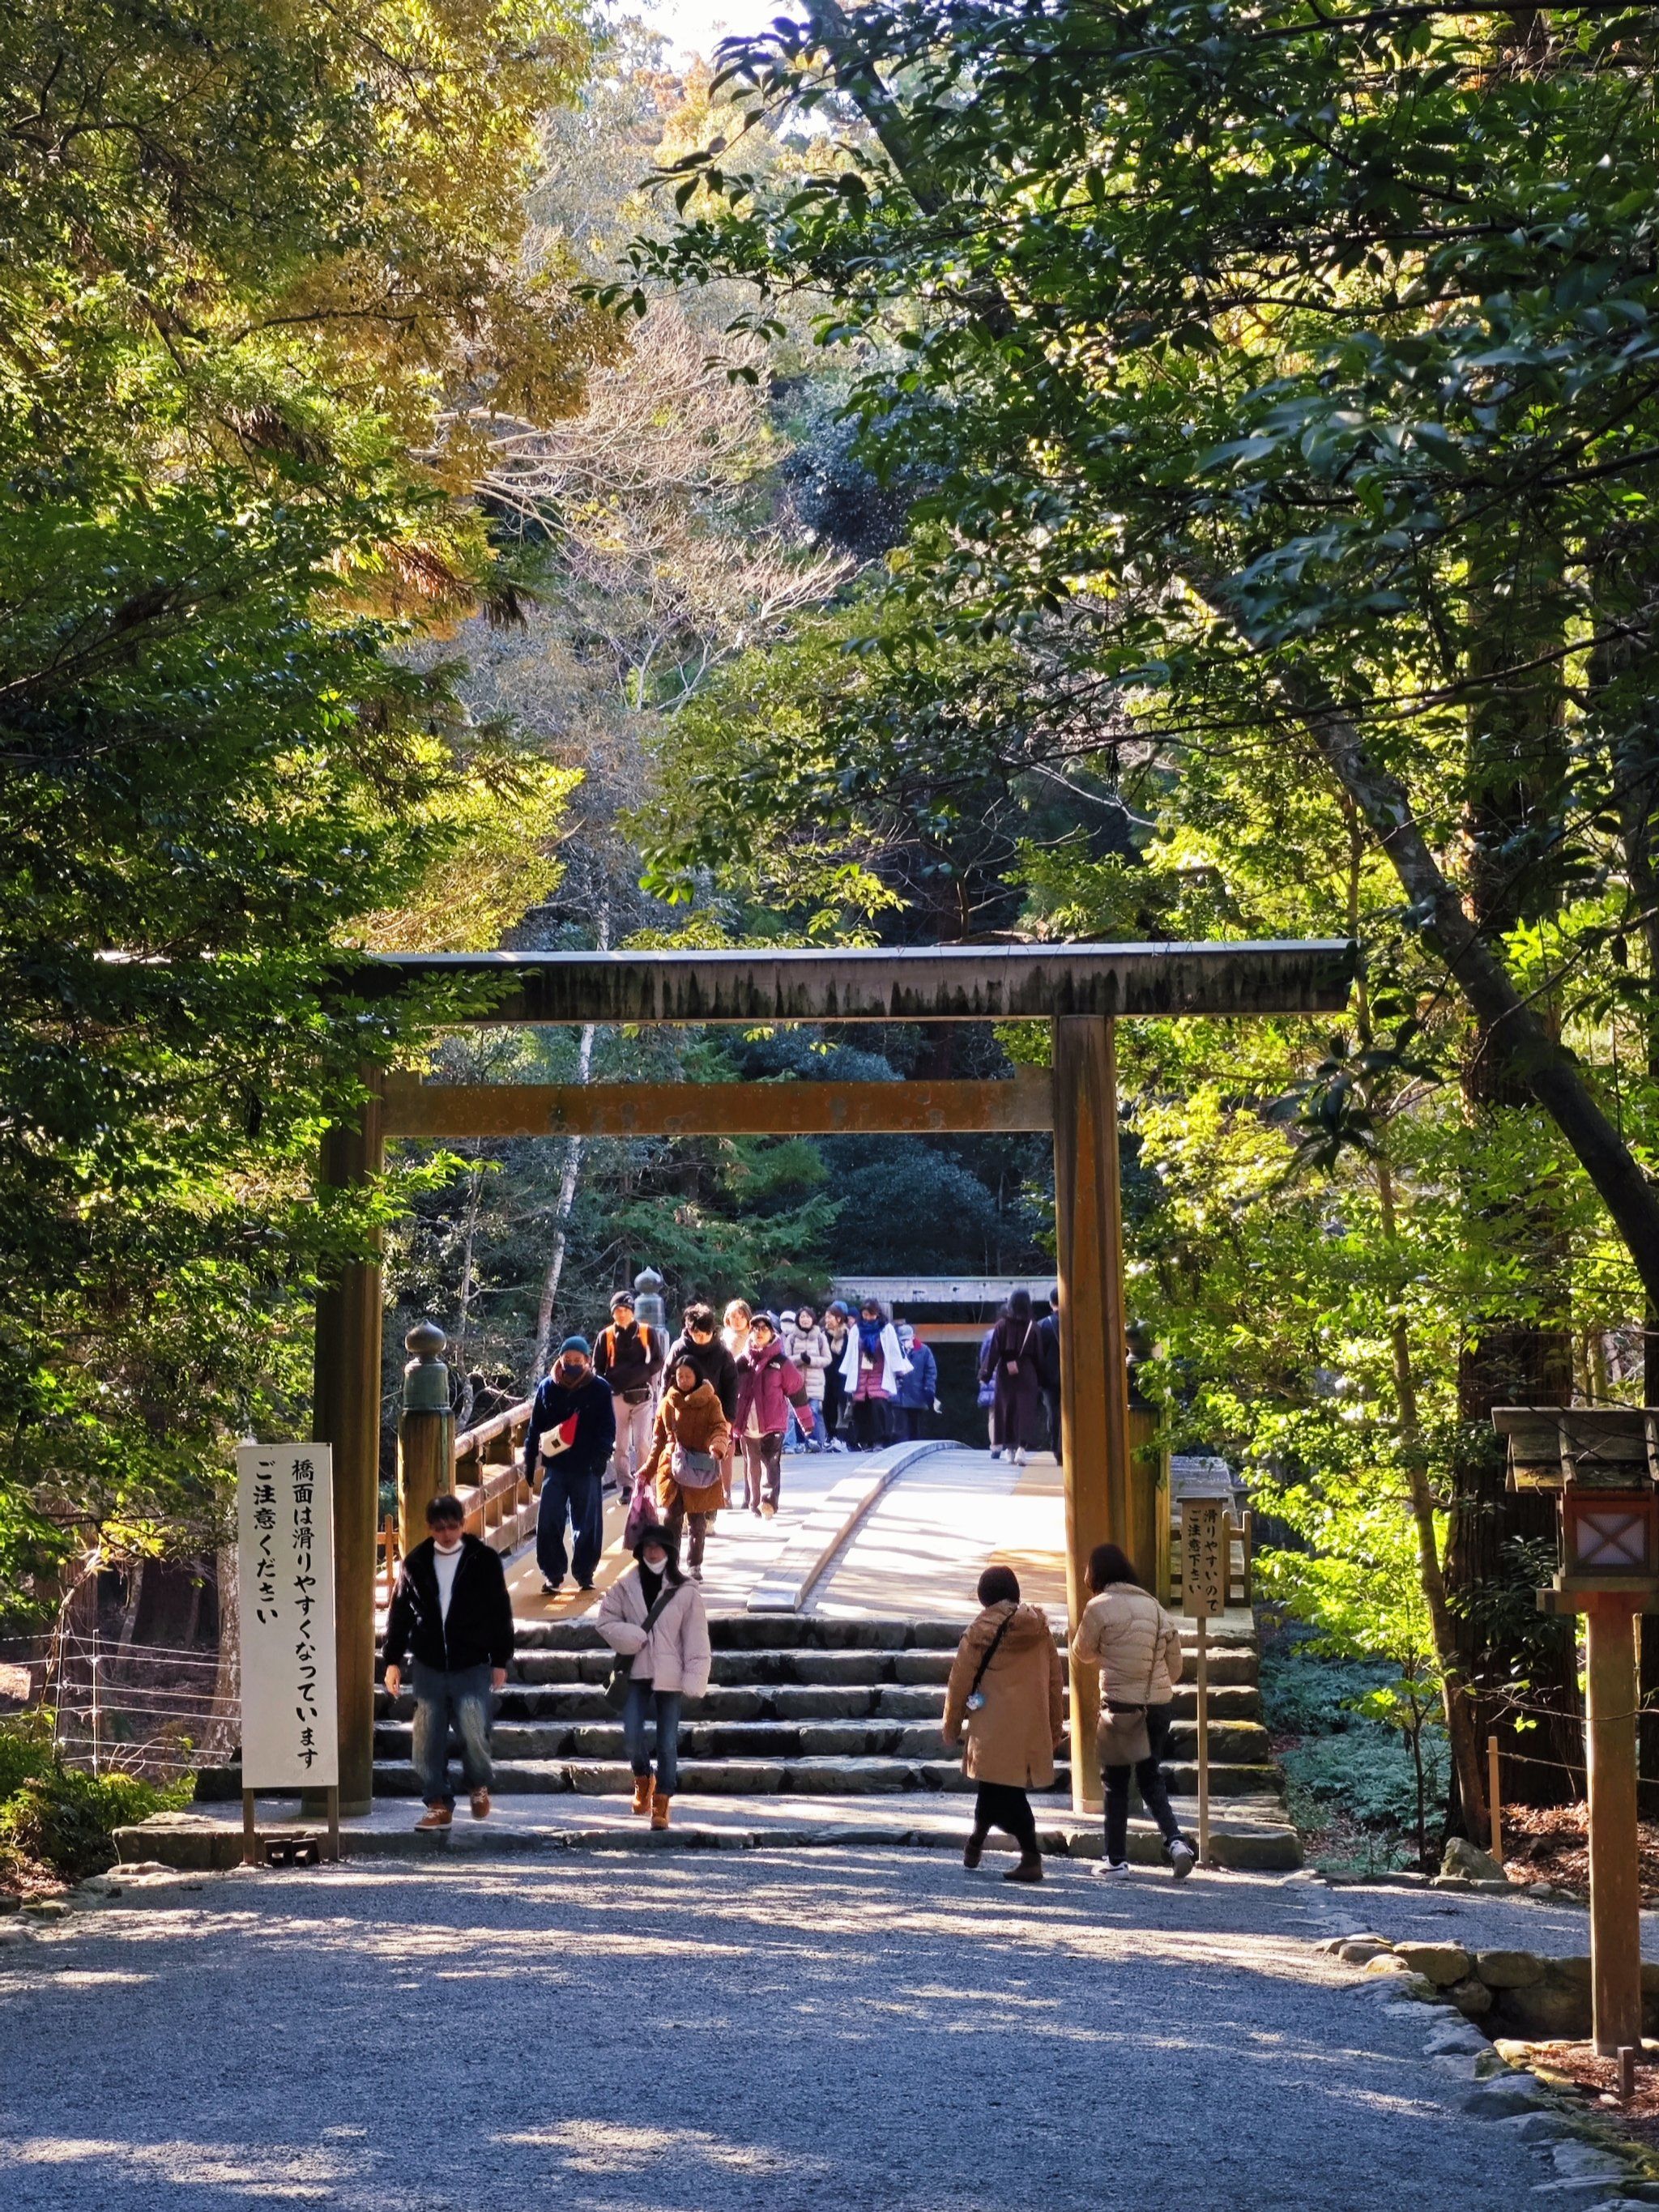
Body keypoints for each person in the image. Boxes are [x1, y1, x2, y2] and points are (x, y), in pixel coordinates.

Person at [381, 1493, 514, 1832]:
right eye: (440, 1529)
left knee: (474, 1727)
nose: (447, 1534)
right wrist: (392, 1660)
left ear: (463, 1523)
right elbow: (399, 1616)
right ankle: (437, 1803)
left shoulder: (483, 1559)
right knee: (426, 1736)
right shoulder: (415, 1563)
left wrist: (500, 1659)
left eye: (453, 1527)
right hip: (428, 1662)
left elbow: (500, 1611)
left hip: (471, 1660)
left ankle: (478, 1783)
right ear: (430, 1528)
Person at [1070, 1541, 1197, 1881]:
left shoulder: (1098, 1607)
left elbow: (1081, 1652)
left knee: (1115, 1782)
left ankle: (1116, 1861)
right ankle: (1176, 1842)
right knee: (1150, 1776)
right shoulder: (1156, 1608)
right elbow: (1176, 1668)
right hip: (1157, 1704)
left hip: (1120, 1706)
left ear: (1096, 1573)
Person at [942, 1565, 1064, 1883]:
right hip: (1028, 1726)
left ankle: (1030, 1856)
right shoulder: (1039, 1629)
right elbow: (1054, 1681)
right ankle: (977, 1841)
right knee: (996, 1786)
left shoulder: (979, 1630)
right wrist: (1055, 1726)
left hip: (991, 1726)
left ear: (985, 1597)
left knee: (1004, 1790)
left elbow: (960, 1681)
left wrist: (951, 1725)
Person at [596, 1520, 712, 1830]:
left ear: (670, 1551)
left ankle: (662, 1801)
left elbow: (696, 1636)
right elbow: (605, 1620)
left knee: (667, 1741)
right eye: (646, 1546)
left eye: (657, 1546)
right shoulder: (625, 1585)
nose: (652, 1551)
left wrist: (695, 1675)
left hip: (670, 1673)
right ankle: (643, 1777)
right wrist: (632, 1635)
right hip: (635, 1670)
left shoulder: (686, 1591)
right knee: (632, 1735)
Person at [525, 1334, 616, 1595]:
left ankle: (585, 1572)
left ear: (587, 1360)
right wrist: (530, 1461)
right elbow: (535, 1428)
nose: (573, 1364)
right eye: (568, 1360)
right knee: (550, 1518)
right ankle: (553, 1574)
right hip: (556, 1464)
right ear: (561, 1360)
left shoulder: (599, 1388)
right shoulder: (547, 1387)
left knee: (586, 1521)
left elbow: (608, 1428)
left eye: (578, 1359)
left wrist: (601, 1456)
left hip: (587, 1465)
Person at [646, 1354, 731, 1580]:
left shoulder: (711, 1402)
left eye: (688, 1376)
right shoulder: (668, 1402)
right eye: (679, 1376)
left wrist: (717, 1447)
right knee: (671, 1519)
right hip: (671, 1470)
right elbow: (658, 1440)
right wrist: (648, 1470)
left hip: (699, 1470)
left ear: (697, 1376)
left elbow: (720, 1428)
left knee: (697, 1521)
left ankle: (694, 1566)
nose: (683, 1380)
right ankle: (671, 1565)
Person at [734, 1311, 808, 1516]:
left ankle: (768, 1502)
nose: (759, 1332)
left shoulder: (781, 1362)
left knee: (771, 1464)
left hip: (773, 1424)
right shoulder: (742, 1361)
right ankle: (754, 1502)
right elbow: (727, 1384)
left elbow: (797, 1391)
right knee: (752, 1466)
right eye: (755, 1328)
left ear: (772, 1332)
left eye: (764, 1329)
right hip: (748, 1424)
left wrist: (806, 1422)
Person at [594, 1289, 665, 1498]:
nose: (622, 1314)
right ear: (612, 1313)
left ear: (633, 1311)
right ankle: (625, 1483)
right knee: (620, 1443)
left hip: (642, 1393)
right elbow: (597, 1367)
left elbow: (658, 1360)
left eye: (625, 1309)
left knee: (643, 1441)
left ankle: (644, 1481)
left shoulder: (645, 1332)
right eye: (618, 1310)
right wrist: (607, 1385)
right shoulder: (605, 1336)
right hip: (616, 1396)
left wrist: (641, 1373)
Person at [667, 1302, 738, 1502]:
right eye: (696, 1334)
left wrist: (729, 1419)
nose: (700, 1339)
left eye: (704, 1334)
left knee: (712, 1462)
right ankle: (685, 1510)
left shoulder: (722, 1353)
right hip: (684, 1416)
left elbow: (732, 1386)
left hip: (713, 1415)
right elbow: (667, 1383)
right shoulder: (679, 1349)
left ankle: (714, 1507)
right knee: (684, 1465)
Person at [980, 1287, 1043, 1466]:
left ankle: (1009, 1449)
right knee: (1025, 1411)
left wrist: (985, 1374)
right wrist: (1040, 1377)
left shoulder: (1001, 1325)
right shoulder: (1033, 1327)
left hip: (1005, 1373)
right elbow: (1039, 1355)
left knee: (1006, 1410)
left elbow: (993, 1352)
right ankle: (1022, 1450)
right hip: (1027, 1372)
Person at [839, 1296, 910, 1451]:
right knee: (861, 1408)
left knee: (879, 1406)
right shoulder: (857, 1329)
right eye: (865, 1314)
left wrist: (899, 1370)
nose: (867, 1317)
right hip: (861, 1374)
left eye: (870, 1314)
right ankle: (865, 1441)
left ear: (877, 1313)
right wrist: (847, 1372)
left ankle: (881, 1440)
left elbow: (893, 1351)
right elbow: (851, 1352)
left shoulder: (886, 1328)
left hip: (879, 1372)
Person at [784, 1302, 832, 1450]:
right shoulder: (791, 1338)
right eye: (802, 1317)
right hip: (797, 1383)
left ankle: (816, 1441)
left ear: (813, 1319)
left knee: (814, 1412)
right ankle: (803, 1443)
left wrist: (811, 1360)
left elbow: (827, 1359)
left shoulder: (820, 1337)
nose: (805, 1319)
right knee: (799, 1415)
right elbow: (785, 1359)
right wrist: (799, 1358)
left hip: (816, 1383)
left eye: (808, 1317)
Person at [893, 1321, 937, 1441]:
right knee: (900, 1431)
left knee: (915, 1431)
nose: (905, 1342)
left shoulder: (924, 1351)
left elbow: (931, 1371)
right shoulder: (895, 1350)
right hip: (899, 1397)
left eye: (907, 1339)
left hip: (917, 1396)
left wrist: (929, 1388)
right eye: (902, 1340)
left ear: (913, 1337)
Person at [1036, 1286, 1062, 1458]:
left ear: (1051, 1303)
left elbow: (1037, 1354)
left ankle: (1056, 1448)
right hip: (1076, 1379)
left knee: (1053, 1413)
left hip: (1049, 1379)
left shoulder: (1043, 1325)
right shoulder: (1079, 1322)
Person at [821, 1301, 852, 1447]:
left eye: (830, 1317)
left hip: (843, 1377)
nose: (827, 1320)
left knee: (843, 1407)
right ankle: (830, 1436)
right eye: (826, 1317)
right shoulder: (823, 1335)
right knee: (827, 1406)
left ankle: (843, 1438)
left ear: (839, 1318)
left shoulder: (849, 1334)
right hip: (827, 1376)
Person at [978, 1306, 1004, 1450]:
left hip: (992, 1374)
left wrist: (985, 1373)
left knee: (993, 1413)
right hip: (1008, 1376)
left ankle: (995, 1444)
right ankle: (1008, 1444)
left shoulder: (989, 1334)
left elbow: (983, 1357)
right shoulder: (1013, 1332)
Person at [722, 1298, 753, 1364]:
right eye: (734, 1317)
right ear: (728, 1318)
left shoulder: (751, 1337)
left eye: (742, 1317)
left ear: (748, 1318)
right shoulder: (726, 1334)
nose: (738, 1321)